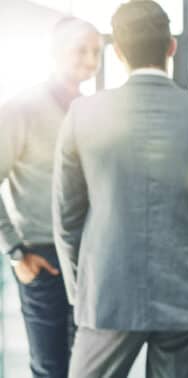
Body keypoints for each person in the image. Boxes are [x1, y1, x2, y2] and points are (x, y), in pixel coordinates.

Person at [51, 1, 188, 377]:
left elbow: (67, 217)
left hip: (106, 291)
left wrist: (82, 291)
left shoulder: (84, 115)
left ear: (117, 51)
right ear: (171, 46)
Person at [0, 16, 101, 378]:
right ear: (55, 52)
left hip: (91, 257)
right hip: (42, 256)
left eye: (97, 52)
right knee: (51, 368)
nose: (91, 61)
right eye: (81, 50)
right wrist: (15, 253)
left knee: (87, 367)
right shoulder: (19, 109)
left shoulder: (94, 111)